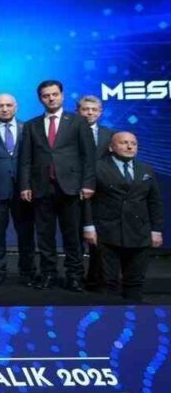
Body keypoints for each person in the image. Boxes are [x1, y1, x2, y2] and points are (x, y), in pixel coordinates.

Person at [18, 79, 96, 292]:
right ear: (40, 99)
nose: (51, 98)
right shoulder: (31, 125)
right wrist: (25, 185)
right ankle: (48, 274)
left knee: (73, 236)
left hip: (71, 187)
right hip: (41, 187)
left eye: (54, 94)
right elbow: (25, 159)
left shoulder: (78, 121)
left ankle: (74, 276)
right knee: (45, 236)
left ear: (62, 95)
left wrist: (88, 184)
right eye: (46, 96)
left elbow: (88, 156)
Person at [83, 132, 163, 302]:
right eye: (124, 143)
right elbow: (87, 200)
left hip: (139, 233)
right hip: (107, 232)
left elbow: (154, 201)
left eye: (134, 143)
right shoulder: (96, 167)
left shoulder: (146, 169)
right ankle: (111, 316)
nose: (129, 146)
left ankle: (134, 313)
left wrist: (156, 230)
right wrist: (89, 226)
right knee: (107, 282)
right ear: (111, 147)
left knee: (135, 282)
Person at [0, 93, 31, 287]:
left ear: (16, 107)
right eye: (0, 106)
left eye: (8, 105)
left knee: (26, 234)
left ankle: (27, 272)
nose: (4, 109)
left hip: (23, 190)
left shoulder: (27, 128)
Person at [76, 94, 113, 289]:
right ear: (78, 111)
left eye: (94, 110)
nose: (89, 113)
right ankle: (76, 276)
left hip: (102, 192)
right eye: (85, 109)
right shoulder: (69, 132)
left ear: (100, 112)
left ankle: (96, 277)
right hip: (75, 188)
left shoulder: (110, 134)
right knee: (76, 235)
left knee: (99, 236)